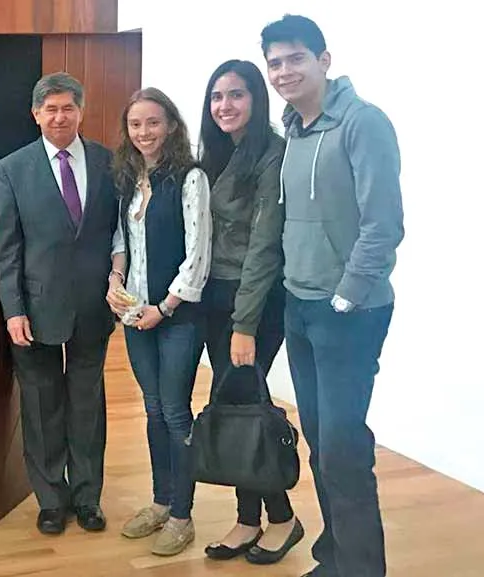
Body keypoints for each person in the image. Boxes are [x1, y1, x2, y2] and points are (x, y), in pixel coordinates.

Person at [261, 14, 404, 577]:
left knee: (343, 447)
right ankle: (335, 554)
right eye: (274, 62)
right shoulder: (294, 130)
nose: (283, 71)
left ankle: (363, 567)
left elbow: (384, 225)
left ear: (323, 60)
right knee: (321, 441)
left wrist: (345, 297)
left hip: (349, 313)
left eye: (295, 58)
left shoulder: (363, 123)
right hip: (300, 306)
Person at [0, 72, 118, 536]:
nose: (59, 117)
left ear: (81, 111)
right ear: (35, 114)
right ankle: (51, 499)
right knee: (42, 407)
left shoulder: (109, 163)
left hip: (93, 307)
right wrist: (13, 310)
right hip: (35, 307)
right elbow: (7, 247)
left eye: (68, 108)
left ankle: (88, 498)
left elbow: (118, 236)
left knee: (87, 405)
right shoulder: (11, 169)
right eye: (51, 109)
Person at [195, 59, 303, 564]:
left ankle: (280, 519)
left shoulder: (271, 153)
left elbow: (264, 246)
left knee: (248, 407)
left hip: (254, 300)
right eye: (217, 96)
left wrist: (245, 325)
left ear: (257, 100)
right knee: (237, 407)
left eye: (236, 95)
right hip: (216, 294)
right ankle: (248, 519)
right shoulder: (217, 153)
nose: (225, 106)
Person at [105, 88, 210, 557]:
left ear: (170, 125)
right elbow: (121, 238)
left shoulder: (190, 178)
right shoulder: (128, 179)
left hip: (176, 316)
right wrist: (115, 276)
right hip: (134, 312)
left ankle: (183, 516)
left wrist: (163, 308)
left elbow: (198, 256)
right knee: (151, 411)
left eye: (152, 122)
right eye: (135, 125)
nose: (144, 132)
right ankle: (160, 502)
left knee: (174, 412)